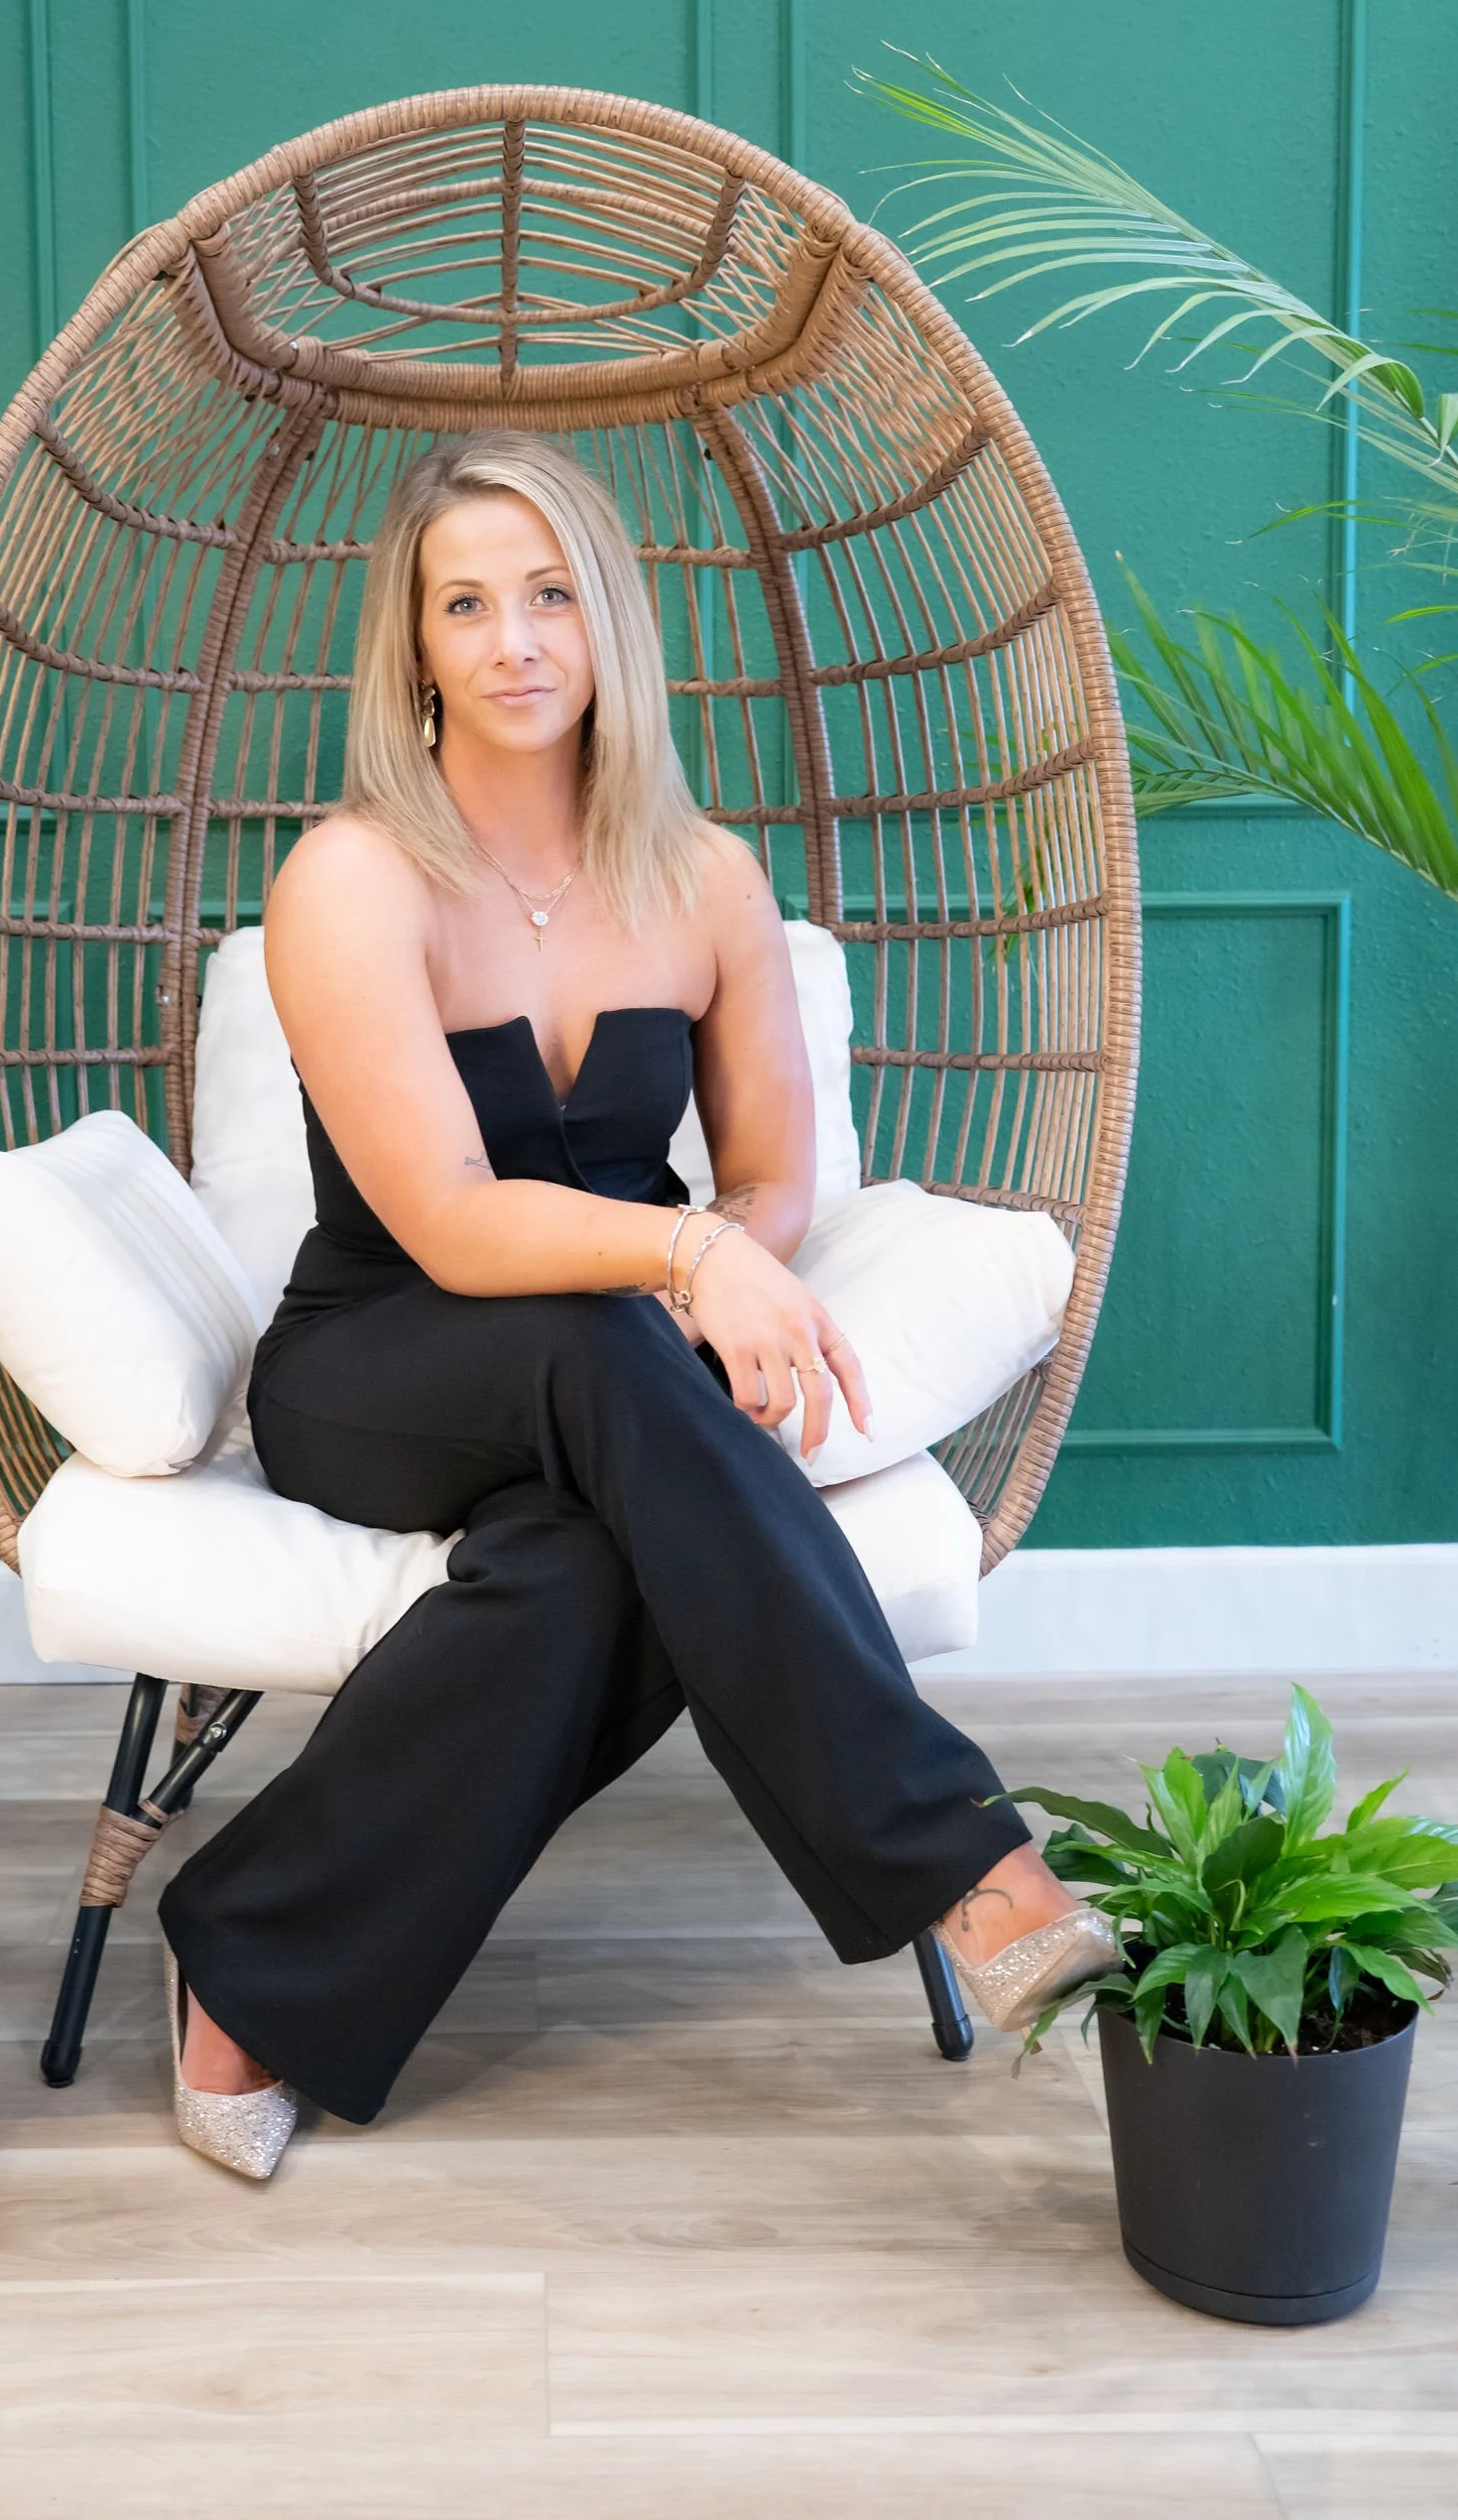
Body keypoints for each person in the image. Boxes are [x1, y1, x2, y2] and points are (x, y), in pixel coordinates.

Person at [157, 431, 1117, 2177]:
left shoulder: (706, 879)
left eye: (549, 595)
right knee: (605, 1347)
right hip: (382, 1357)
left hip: (614, 1376)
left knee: (591, 1557)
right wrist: (689, 1259)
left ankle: (246, 1969)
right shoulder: (352, 878)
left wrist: (732, 1246)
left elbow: (768, 1170)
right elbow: (448, 1223)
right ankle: (965, 1862)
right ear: (418, 648)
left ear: (607, 627)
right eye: (467, 604)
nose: (513, 639)